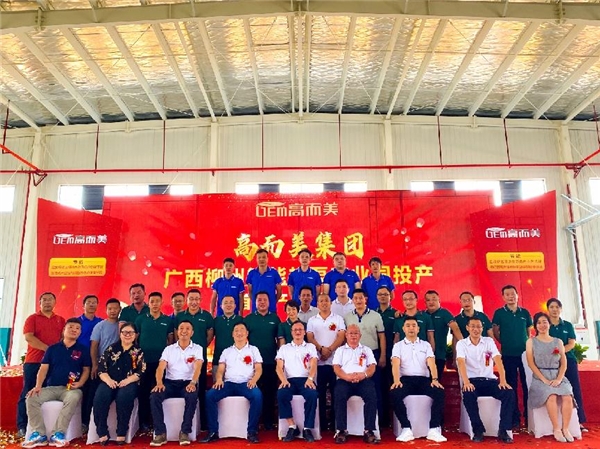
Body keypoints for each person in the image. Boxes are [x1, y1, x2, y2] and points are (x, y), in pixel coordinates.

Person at [21, 318, 91, 448]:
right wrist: (38, 386)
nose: (74, 330)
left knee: (74, 397)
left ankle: (58, 434)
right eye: (71, 327)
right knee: (31, 397)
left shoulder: (83, 350)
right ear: (64, 330)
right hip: (51, 388)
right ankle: (39, 434)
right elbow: (43, 368)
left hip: (71, 389)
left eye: (77, 328)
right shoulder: (52, 349)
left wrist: (81, 383)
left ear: (80, 332)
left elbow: (86, 369)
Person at [201, 322, 263, 444]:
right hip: (228, 384)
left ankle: (252, 431)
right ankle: (213, 431)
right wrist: (219, 379)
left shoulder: (253, 350)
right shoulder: (227, 351)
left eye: (242, 330)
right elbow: (220, 369)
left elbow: (259, 368)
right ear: (232, 334)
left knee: (257, 396)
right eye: (236, 330)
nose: (239, 333)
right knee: (210, 395)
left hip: (246, 383)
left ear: (247, 333)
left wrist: (254, 380)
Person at [456, 317, 515, 443]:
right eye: (473, 326)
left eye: (478, 326)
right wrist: (466, 382)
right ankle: (478, 429)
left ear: (482, 328)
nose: (476, 329)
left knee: (508, 393)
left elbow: (498, 360)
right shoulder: (461, 344)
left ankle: (503, 430)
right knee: (468, 394)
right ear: (467, 328)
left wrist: (503, 380)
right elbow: (461, 363)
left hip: (489, 380)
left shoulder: (488, 341)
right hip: (472, 381)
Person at [390, 317, 446, 443]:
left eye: (414, 325)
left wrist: (435, 379)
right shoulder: (398, 346)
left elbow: (431, 362)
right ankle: (406, 428)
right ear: (403, 329)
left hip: (423, 380)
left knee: (439, 392)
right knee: (394, 393)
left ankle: (433, 429)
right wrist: (396, 380)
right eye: (408, 325)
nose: (411, 328)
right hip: (405, 380)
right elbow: (395, 363)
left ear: (418, 329)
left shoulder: (426, 345)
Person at [17, 292, 66, 437]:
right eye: (44, 300)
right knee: (29, 392)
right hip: (34, 362)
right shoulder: (32, 318)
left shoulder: (61, 320)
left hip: (53, 364)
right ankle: (22, 425)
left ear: (55, 302)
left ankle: (44, 426)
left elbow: (63, 339)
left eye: (50, 299)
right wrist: (48, 350)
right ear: (40, 303)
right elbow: (29, 337)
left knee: (48, 393)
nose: (47, 302)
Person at [149, 320, 204, 447]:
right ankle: (160, 433)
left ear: (192, 332)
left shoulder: (197, 348)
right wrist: (159, 383)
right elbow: (160, 368)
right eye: (181, 328)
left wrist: (193, 383)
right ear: (177, 332)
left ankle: (185, 432)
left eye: (187, 329)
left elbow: (198, 367)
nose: (184, 331)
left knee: (192, 396)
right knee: (154, 396)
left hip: (188, 383)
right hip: (170, 383)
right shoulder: (169, 349)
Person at [92, 322, 146, 445]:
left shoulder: (138, 351)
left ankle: (121, 431)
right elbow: (101, 368)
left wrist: (127, 380)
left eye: (131, 332)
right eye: (124, 332)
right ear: (120, 334)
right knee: (100, 397)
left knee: (123, 397)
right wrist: (108, 381)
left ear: (135, 335)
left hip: (129, 382)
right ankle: (102, 431)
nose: (127, 335)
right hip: (109, 381)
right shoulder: (111, 349)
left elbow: (141, 371)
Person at [526, 312, 576, 442]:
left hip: (557, 375)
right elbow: (531, 363)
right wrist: (544, 379)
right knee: (551, 395)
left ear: (549, 324)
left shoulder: (558, 342)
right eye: (539, 323)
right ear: (535, 326)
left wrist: (559, 379)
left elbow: (563, 363)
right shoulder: (531, 342)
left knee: (567, 396)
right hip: (540, 377)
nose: (542, 325)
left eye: (545, 322)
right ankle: (556, 429)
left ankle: (566, 429)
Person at [343, 289, 386, 428]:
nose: (358, 300)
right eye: (355, 298)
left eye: (361, 298)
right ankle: (356, 423)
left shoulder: (376, 316)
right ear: (352, 300)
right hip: (354, 355)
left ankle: (379, 422)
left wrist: (383, 355)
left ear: (365, 299)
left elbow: (381, 337)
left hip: (373, 354)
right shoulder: (347, 317)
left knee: (376, 388)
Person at [492, 284, 533, 429]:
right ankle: (514, 417)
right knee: (511, 386)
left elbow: (528, 332)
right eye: (507, 294)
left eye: (513, 294)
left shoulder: (525, 313)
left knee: (527, 385)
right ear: (503, 297)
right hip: (508, 354)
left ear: (517, 295)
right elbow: (496, 332)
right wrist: (505, 342)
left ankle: (529, 417)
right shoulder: (499, 313)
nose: (511, 297)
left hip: (524, 355)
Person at [331, 324, 378, 444]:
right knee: (339, 395)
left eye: (356, 333)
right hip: (344, 380)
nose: (353, 336)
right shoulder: (340, 350)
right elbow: (336, 368)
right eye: (351, 333)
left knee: (371, 394)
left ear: (360, 335)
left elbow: (372, 367)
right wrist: (347, 377)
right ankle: (341, 430)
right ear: (346, 335)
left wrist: (363, 375)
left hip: (363, 380)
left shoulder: (366, 350)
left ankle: (369, 431)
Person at [135, 291, 175, 431]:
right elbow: (135, 340)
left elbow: (170, 341)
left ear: (162, 302)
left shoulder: (167, 320)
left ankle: (158, 422)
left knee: (159, 391)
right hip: (144, 362)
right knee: (144, 392)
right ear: (149, 303)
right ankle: (144, 422)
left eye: (157, 301)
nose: (155, 304)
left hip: (161, 363)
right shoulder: (141, 319)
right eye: (152, 301)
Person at [306, 293, 346, 431]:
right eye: (321, 301)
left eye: (326, 301)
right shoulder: (312, 320)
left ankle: (335, 423)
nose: (324, 303)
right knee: (320, 393)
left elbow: (341, 337)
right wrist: (321, 349)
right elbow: (310, 337)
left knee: (336, 393)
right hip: (318, 363)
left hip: (335, 363)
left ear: (331, 303)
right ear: (317, 304)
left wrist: (329, 350)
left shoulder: (338, 319)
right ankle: (322, 423)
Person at [176, 288, 214, 431]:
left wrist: (200, 347)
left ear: (200, 300)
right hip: (181, 360)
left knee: (201, 389)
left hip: (199, 359)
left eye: (196, 299)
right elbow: (176, 334)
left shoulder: (207, 316)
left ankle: (203, 422)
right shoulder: (180, 316)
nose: (194, 302)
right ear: (187, 300)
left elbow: (209, 335)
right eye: (191, 299)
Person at [547, 297, 587, 431]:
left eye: (557, 307)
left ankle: (579, 421)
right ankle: (555, 422)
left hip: (568, 359)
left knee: (574, 389)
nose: (554, 310)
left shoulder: (567, 325)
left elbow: (571, 343)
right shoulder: (545, 325)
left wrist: (560, 352)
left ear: (561, 309)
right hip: (551, 362)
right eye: (552, 307)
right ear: (548, 309)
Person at [275, 321, 319, 442]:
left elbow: (314, 364)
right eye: (295, 330)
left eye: (300, 330)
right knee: (281, 394)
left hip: (306, 380)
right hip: (289, 380)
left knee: (312, 395)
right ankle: (292, 426)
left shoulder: (310, 347)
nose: (298, 332)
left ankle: (307, 428)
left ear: (304, 332)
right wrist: (283, 380)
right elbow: (279, 367)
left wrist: (310, 379)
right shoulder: (284, 348)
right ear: (291, 332)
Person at [244, 291, 281, 430]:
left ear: (269, 302)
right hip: (252, 364)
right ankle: (255, 422)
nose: (262, 302)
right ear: (255, 302)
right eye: (259, 300)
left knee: (270, 393)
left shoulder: (275, 318)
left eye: (265, 300)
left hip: (270, 361)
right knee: (255, 392)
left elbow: (279, 340)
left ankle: (268, 422)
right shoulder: (248, 319)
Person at [88, 299, 122, 435]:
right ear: (106, 310)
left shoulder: (123, 325)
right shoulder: (100, 326)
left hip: (121, 368)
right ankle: (99, 429)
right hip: (103, 368)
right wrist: (95, 364)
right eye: (110, 309)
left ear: (120, 310)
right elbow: (94, 346)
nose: (113, 311)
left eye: (115, 308)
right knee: (99, 396)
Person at [424, 290, 462, 381]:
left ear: (439, 300)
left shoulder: (444, 313)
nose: (431, 302)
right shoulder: (423, 315)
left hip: (439, 355)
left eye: (434, 299)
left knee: (436, 381)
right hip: (423, 356)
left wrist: (464, 344)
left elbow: (455, 329)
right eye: (428, 300)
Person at [77, 294, 102, 432]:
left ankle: (86, 422)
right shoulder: (77, 322)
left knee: (90, 392)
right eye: (89, 302)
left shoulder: (101, 322)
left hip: (94, 362)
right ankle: (76, 422)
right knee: (79, 391)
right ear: (83, 305)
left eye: (94, 302)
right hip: (78, 361)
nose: (92, 304)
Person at [375, 286, 397, 428]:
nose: (383, 296)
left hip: (392, 355)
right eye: (380, 294)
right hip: (376, 355)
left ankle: (393, 419)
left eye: (385, 294)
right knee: (379, 387)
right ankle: (382, 419)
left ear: (390, 296)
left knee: (392, 386)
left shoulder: (396, 314)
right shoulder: (373, 313)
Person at [212, 296, 243, 381]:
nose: (228, 305)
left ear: (235, 305)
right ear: (221, 306)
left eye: (231, 302)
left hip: (237, 361)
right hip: (218, 359)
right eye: (225, 303)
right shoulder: (216, 320)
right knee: (218, 385)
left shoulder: (241, 320)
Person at [245, 249, 282, 313]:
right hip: (256, 308)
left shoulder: (274, 273)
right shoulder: (252, 273)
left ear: (267, 259)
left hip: (271, 308)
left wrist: (273, 301)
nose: (261, 259)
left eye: (264, 257)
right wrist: (256, 301)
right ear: (256, 259)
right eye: (259, 258)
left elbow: (279, 291)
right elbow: (250, 292)